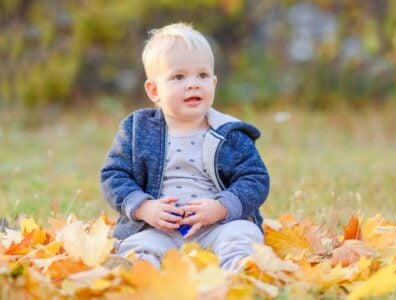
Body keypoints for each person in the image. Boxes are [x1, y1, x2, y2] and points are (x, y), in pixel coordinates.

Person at [100, 22, 270, 271]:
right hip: (158, 229)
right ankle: (137, 273)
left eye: (202, 75)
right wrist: (143, 207)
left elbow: (255, 178)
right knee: (139, 246)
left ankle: (242, 272)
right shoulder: (137, 129)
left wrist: (222, 208)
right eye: (179, 77)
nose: (193, 84)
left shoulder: (228, 132)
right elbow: (114, 176)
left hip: (216, 227)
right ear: (154, 90)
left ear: (214, 82)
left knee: (242, 234)